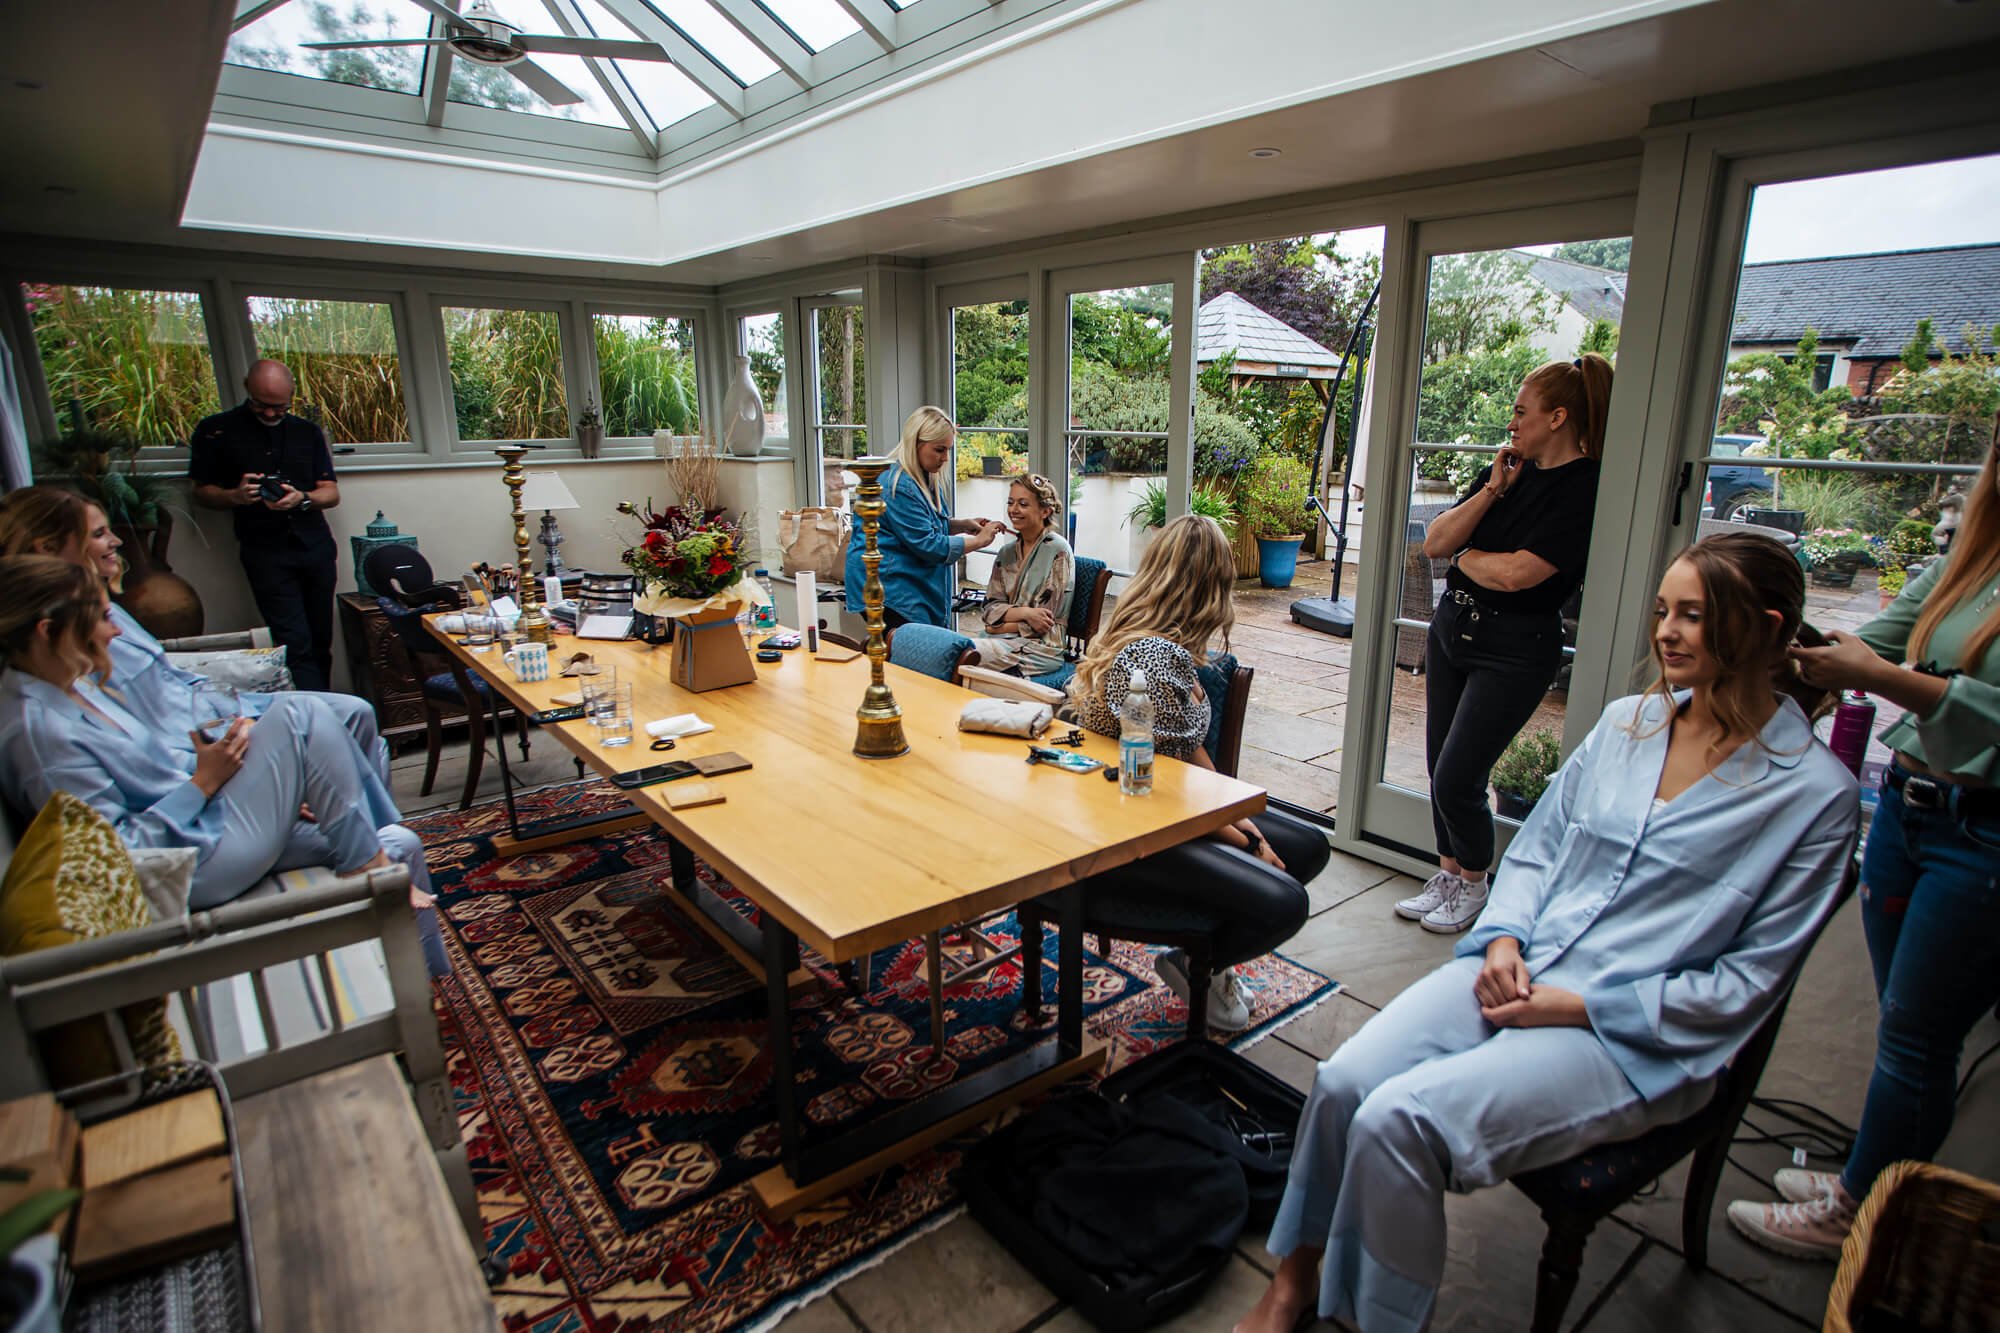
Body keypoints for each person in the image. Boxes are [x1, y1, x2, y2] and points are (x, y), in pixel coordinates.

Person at [1235, 532, 1857, 1333]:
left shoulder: (1812, 798)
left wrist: (1571, 1006)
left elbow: (1744, 986)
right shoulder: (1629, 725)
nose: (1666, 631)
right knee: (1346, 1079)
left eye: (1694, 616)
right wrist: (1501, 940)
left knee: (1401, 1120)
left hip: (1630, 1035)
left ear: (1769, 628)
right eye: (1663, 611)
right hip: (1516, 962)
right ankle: (1294, 1281)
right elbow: (1535, 853)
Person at [1726, 431, 2000, 1258]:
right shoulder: (1974, 558)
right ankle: (1878, 1173)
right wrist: (1771, 658)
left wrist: (1880, 680)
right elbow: (1876, 639)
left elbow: (1911, 681)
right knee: (1905, 1021)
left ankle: (1862, 1215)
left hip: (1982, 834)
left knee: (1921, 1031)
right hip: (1912, 811)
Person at [0, 556, 447, 977]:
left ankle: (426, 992)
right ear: (47, 631)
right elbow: (117, 856)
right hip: (188, 866)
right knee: (303, 718)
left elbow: (152, 771)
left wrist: (246, 783)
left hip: (205, 824)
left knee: (398, 840)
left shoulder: (74, 687)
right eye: (100, 618)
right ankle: (367, 867)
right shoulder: (41, 735)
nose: (116, 632)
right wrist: (203, 785)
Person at [1066, 514, 1327, 1032]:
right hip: (1135, 826)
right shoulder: (1150, 660)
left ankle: (1211, 945)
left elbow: (1188, 755)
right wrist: (1246, 842)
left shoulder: (1166, 647)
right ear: (1209, 587)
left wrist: (1245, 824)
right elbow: (1159, 782)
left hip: (1169, 804)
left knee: (1307, 846)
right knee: (1286, 902)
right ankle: (1195, 962)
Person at [1401, 353, 1615, 933]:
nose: (1512, 421)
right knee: (1437, 764)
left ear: (1559, 417)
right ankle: (1448, 875)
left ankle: (1475, 882)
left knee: (1458, 775)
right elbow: (1434, 540)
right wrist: (1493, 490)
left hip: (1515, 647)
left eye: (1522, 411)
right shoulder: (1507, 469)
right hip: (1454, 631)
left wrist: (1465, 557)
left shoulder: (1586, 486)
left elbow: (1522, 574)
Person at [0, 486, 386, 780]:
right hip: (203, 739)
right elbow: (145, 741)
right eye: (100, 534)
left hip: (214, 706)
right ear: (48, 546)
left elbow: (165, 675)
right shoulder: (65, 639)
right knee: (346, 720)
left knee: (355, 712)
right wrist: (226, 735)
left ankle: (376, 839)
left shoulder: (102, 607)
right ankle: (376, 849)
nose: (115, 541)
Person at [188, 359, 342, 691]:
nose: (271, 414)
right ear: (247, 388)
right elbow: (201, 492)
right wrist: (236, 496)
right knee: (293, 642)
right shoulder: (216, 430)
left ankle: (325, 707)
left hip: (314, 546)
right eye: (262, 405)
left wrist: (303, 498)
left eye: (279, 407)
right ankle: (312, 718)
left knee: (320, 640)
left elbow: (330, 492)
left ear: (291, 396)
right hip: (265, 551)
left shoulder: (307, 432)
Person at [843, 406, 1005, 630]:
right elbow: (927, 544)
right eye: (939, 450)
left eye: (948, 450)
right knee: (908, 657)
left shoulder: (923, 478)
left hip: (901, 585)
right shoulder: (897, 485)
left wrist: (960, 525)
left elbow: (924, 524)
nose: (945, 458)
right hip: (888, 591)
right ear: (915, 443)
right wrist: (978, 541)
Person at [968, 473, 1074, 677]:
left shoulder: (1058, 552)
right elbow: (989, 609)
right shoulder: (1006, 553)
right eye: (1011, 502)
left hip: (1042, 649)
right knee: (959, 652)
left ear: (1045, 511)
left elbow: (1043, 622)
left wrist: (996, 627)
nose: (1013, 510)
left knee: (967, 660)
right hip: (1001, 640)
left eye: (1023, 504)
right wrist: (1026, 614)